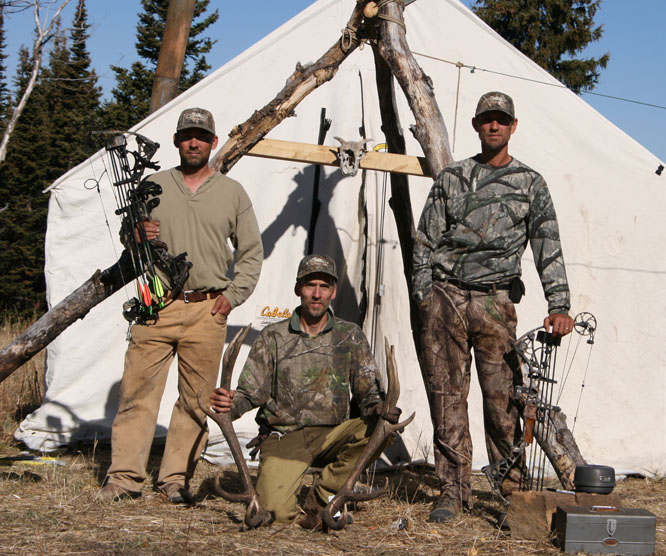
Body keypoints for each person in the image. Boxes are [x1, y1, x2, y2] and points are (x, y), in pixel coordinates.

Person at [412, 91, 574, 522]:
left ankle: (510, 494)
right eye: (487, 120)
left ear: (513, 126)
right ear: (477, 126)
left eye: (502, 120)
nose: (494, 126)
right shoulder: (451, 178)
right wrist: (424, 297)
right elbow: (424, 241)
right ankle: (453, 490)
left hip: (496, 302)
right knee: (448, 397)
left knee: (504, 402)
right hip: (445, 298)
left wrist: (559, 303)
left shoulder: (530, 184)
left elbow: (547, 246)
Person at [98, 107, 263, 504]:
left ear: (212, 142)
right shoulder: (152, 184)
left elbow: (251, 253)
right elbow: (128, 237)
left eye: (201, 136)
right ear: (176, 141)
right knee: (137, 394)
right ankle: (124, 479)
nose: (194, 142)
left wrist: (231, 298)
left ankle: (175, 480)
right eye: (187, 135)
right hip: (155, 306)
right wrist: (136, 233)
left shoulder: (232, 192)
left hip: (207, 310)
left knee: (195, 401)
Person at [210, 254, 399, 528]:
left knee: (382, 428)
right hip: (285, 437)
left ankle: (323, 497)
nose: (317, 294)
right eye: (310, 285)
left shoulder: (350, 335)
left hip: (333, 434)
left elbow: (368, 391)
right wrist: (231, 405)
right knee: (273, 517)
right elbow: (250, 393)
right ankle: (303, 494)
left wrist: (381, 409)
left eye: (324, 286)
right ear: (298, 289)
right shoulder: (274, 336)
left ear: (333, 292)